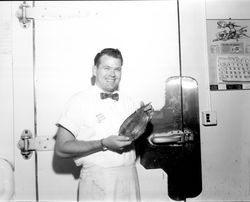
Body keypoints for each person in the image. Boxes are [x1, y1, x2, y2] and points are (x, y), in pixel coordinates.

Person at [55, 48, 153, 202]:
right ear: (95, 70)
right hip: (97, 180)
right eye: (106, 68)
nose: (112, 74)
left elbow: (134, 135)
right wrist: (103, 144)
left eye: (117, 69)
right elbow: (61, 148)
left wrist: (144, 118)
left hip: (129, 178)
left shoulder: (129, 101)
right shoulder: (79, 101)